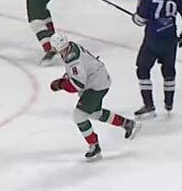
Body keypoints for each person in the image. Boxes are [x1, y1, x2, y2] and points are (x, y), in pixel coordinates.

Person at [47, 32, 139, 161]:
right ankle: (127, 124)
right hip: (98, 79)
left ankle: (94, 147)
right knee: (95, 114)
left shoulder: (73, 60)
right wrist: (65, 79)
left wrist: (61, 84)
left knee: (79, 116)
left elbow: (77, 85)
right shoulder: (70, 48)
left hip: (96, 85)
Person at [132, 0, 182, 119]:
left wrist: (135, 17)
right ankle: (169, 103)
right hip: (170, 40)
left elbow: (140, 20)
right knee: (169, 71)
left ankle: (149, 105)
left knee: (143, 69)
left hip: (152, 40)